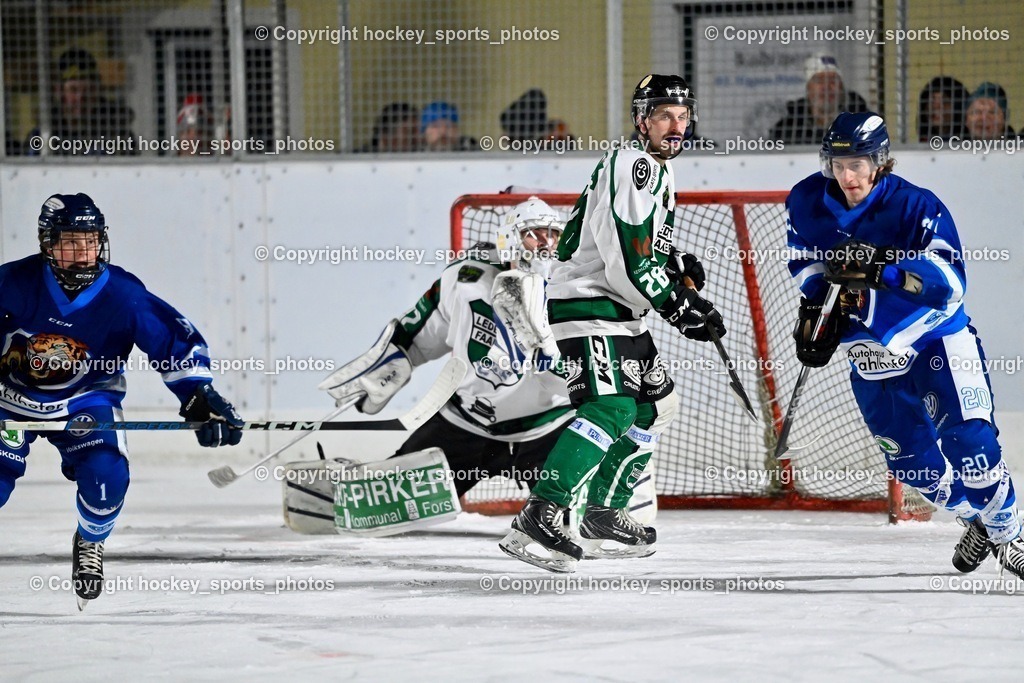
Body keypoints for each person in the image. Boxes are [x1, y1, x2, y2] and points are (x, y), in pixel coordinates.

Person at [498, 74, 725, 573]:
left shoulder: (655, 171)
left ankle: (603, 513)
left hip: (621, 311)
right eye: (665, 115)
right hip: (589, 304)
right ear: (642, 119)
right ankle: (541, 513)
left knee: (656, 407)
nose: (676, 126)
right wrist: (676, 304)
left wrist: (676, 265)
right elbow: (626, 260)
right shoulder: (635, 165)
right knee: (611, 407)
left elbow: (639, 249)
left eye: (683, 117)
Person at [785, 111, 1024, 579]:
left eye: (857, 164)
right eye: (838, 163)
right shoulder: (806, 201)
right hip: (870, 354)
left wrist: (883, 271)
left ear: (879, 161)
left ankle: (1009, 533)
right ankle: (975, 519)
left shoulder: (917, 205)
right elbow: (804, 263)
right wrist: (817, 311)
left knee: (970, 446)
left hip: (935, 339)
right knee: (915, 468)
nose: (847, 176)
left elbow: (951, 285)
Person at [0, 193, 244, 609]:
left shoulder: (123, 294)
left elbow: (172, 342)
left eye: (90, 240)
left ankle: (90, 541)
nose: (83, 252)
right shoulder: (11, 284)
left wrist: (200, 395)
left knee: (106, 479)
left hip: (84, 401)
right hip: (9, 401)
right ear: (47, 242)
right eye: (70, 241)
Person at [319, 197, 573, 503]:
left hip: (549, 429)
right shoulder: (466, 279)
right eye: (534, 233)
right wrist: (384, 370)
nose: (545, 244)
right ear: (510, 240)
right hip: (467, 424)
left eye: (552, 234)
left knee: (575, 517)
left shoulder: (572, 287)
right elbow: (417, 335)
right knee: (380, 504)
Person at [24, 48, 135, 156]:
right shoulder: (42, 135)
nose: (81, 97)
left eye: (89, 89)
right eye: (73, 90)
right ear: (59, 91)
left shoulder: (117, 134)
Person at [770, 53, 868, 145]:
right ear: (808, 88)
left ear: (841, 87)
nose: (827, 86)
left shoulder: (864, 124)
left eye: (833, 80)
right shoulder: (787, 130)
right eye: (819, 80)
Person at [917, 76, 969, 143]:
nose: (936, 106)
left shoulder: (972, 144)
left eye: (944, 101)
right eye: (931, 101)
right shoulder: (924, 141)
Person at [356, 102, 420, 153]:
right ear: (386, 135)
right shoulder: (359, 161)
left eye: (419, 131)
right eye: (410, 132)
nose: (418, 138)